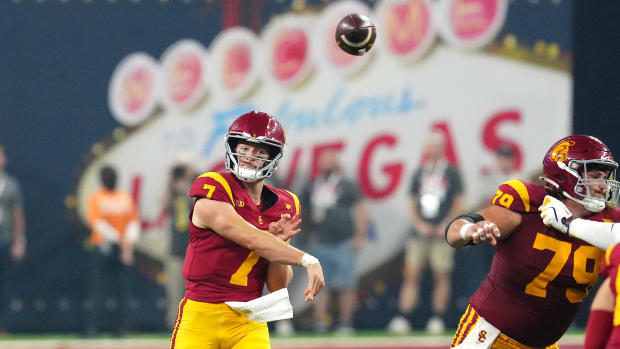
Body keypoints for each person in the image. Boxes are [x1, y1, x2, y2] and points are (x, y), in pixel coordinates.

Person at [445, 134, 620, 347]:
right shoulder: (529, 205)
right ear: (566, 175)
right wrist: (469, 230)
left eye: (605, 176)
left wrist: (570, 225)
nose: (603, 185)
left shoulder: (609, 221)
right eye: (595, 176)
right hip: (491, 336)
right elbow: (454, 232)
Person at [169, 111, 325, 349]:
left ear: (272, 158)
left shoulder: (286, 204)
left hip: (249, 319)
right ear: (232, 148)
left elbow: (277, 286)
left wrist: (279, 245)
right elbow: (251, 237)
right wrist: (307, 260)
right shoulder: (213, 186)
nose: (249, 157)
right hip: (201, 315)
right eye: (244, 148)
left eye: (260, 152)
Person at [387, 131, 463, 334]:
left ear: (443, 148)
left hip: (441, 231)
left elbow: (458, 200)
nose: (434, 149)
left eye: (437, 145)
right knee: (411, 274)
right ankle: (403, 317)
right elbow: (411, 201)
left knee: (442, 274)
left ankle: (437, 317)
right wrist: (418, 223)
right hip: (419, 232)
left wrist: (447, 224)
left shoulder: (451, 172)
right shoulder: (420, 172)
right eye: (431, 145)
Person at [300, 148, 369, 335]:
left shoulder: (345, 184)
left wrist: (360, 235)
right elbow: (302, 211)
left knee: (346, 284)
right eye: (325, 160)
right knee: (320, 285)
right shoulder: (312, 185)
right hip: (320, 240)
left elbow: (360, 209)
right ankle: (320, 322)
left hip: (343, 240)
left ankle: (346, 323)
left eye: (331, 160)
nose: (328, 164)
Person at [86, 165, 141, 337]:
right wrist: (125, 243)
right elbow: (99, 224)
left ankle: (117, 329)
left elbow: (132, 223)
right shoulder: (114, 197)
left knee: (118, 290)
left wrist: (126, 245)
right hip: (112, 246)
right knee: (102, 290)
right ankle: (97, 328)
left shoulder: (116, 197)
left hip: (114, 247)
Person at [163, 161, 195, 329]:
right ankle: (174, 326)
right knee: (174, 291)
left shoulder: (195, 191)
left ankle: (192, 326)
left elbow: (197, 206)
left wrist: (188, 187)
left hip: (193, 250)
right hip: (175, 249)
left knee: (194, 292)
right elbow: (164, 206)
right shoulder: (172, 192)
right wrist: (170, 183)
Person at [0, 145, 26, 332]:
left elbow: (18, 214)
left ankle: (2, 324)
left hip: (4, 238)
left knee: (3, 284)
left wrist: (19, 241)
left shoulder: (11, 184)